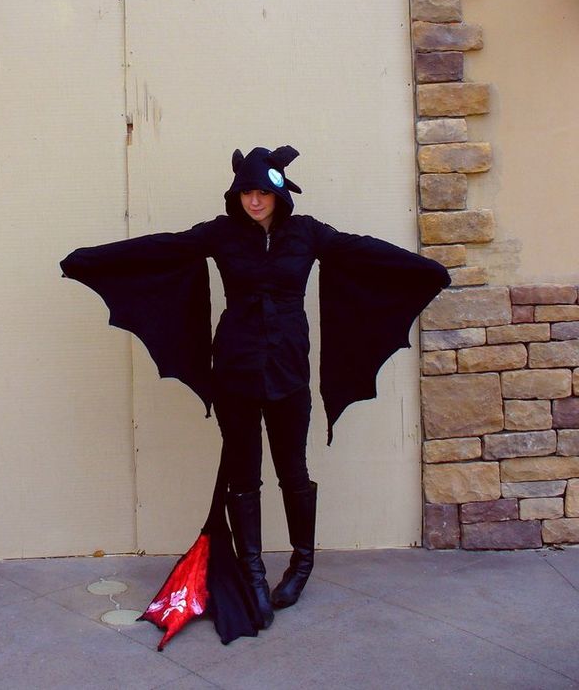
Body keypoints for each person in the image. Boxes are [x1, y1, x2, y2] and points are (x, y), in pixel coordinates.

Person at [60, 145, 450, 645]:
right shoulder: (221, 235)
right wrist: (91, 260)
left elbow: (362, 250)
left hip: (288, 369)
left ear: (279, 192)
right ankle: (254, 576)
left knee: (293, 470)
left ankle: (301, 567)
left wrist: (425, 270)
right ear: (237, 194)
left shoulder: (308, 233)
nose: (255, 200)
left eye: (263, 191)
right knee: (243, 475)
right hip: (236, 369)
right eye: (247, 191)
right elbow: (163, 247)